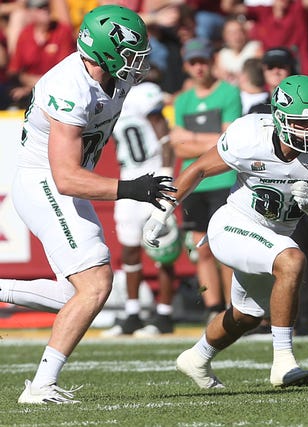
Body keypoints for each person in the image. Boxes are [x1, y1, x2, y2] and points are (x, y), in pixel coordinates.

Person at [0, 5, 174, 404]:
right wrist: (135, 188)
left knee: (78, 295)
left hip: (59, 183)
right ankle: (40, 386)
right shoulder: (70, 86)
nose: (140, 63)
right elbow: (67, 177)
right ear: (107, 52)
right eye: (132, 54)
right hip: (45, 181)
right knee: (96, 284)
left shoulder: (112, 76)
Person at [143, 75, 308, 388]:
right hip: (234, 224)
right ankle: (283, 362)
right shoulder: (250, 136)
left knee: (246, 315)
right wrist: (163, 210)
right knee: (292, 260)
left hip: (274, 235)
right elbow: (200, 167)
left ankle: (196, 358)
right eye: (302, 123)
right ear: (280, 119)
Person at [171, 38, 243, 321]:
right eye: (193, 62)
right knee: (201, 249)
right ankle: (214, 309)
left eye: (202, 61)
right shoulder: (183, 100)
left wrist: (191, 139)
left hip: (222, 179)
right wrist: (210, 141)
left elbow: (228, 142)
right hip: (194, 182)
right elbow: (178, 147)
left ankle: (234, 308)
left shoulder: (228, 93)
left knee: (226, 249)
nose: (199, 67)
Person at [102, 79, 179, 337]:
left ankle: (165, 314)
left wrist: (167, 174)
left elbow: (162, 130)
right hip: (128, 180)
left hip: (154, 175)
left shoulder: (141, 93)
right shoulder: (106, 96)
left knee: (163, 250)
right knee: (129, 250)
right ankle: (133, 313)